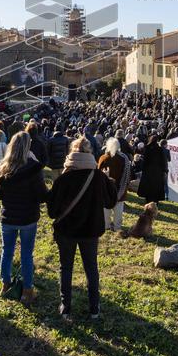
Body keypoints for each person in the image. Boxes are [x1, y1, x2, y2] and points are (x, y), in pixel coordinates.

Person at [46, 136, 117, 321]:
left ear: (72, 153)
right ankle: (94, 308)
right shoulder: (99, 177)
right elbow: (111, 201)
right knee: (91, 269)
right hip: (90, 230)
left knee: (66, 268)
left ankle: (66, 307)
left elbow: (52, 212)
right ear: (90, 153)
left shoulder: (63, 178)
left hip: (66, 231)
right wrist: (109, 182)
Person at [0, 131, 47, 305]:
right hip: (28, 217)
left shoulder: (3, 168)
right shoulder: (33, 169)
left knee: (6, 252)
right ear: (27, 147)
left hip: (8, 216)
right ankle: (27, 290)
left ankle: (5, 284)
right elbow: (43, 195)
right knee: (26, 255)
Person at [98, 137, 130, 232]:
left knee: (106, 209)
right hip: (120, 188)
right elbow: (127, 176)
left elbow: (98, 174)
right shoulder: (124, 158)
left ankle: (106, 225)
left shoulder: (103, 158)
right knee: (118, 210)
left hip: (106, 189)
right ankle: (117, 227)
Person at [139, 135, 168, 205]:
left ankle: (147, 201)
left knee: (148, 187)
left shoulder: (147, 148)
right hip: (157, 172)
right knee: (156, 187)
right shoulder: (159, 149)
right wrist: (164, 170)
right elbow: (163, 161)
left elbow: (144, 160)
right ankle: (155, 202)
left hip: (148, 171)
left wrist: (142, 168)